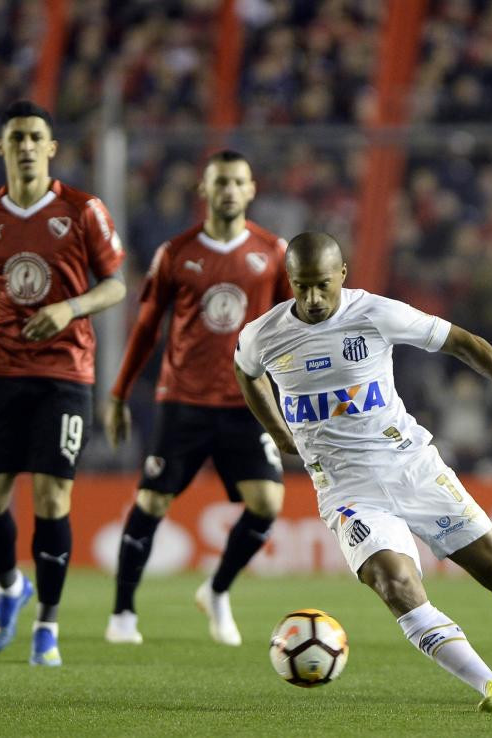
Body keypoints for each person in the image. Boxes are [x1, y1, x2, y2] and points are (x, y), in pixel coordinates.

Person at [234, 232, 492, 712]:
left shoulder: (374, 313)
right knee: (396, 585)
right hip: (347, 490)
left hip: (411, 466)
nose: (310, 298)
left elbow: (462, 342)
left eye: (321, 286)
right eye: (300, 286)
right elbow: (246, 372)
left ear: (342, 275)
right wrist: (278, 430)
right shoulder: (263, 333)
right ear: (289, 281)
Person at [0, 100, 126, 667]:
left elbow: (116, 285)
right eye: (16, 136)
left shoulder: (82, 210)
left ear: (51, 148)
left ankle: (47, 623)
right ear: (2, 147)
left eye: (35, 137)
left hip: (65, 373)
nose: (25, 146)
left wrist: (71, 309)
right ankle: (9, 586)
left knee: (51, 497)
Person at [103, 150, 291, 647]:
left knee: (267, 502)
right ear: (203, 191)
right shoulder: (176, 253)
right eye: (220, 182)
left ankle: (218, 589)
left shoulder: (273, 252)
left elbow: (294, 328)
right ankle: (122, 613)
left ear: (251, 190)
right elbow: (145, 329)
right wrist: (119, 394)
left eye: (238, 181)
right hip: (182, 400)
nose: (229, 190)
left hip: (246, 400)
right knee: (152, 499)